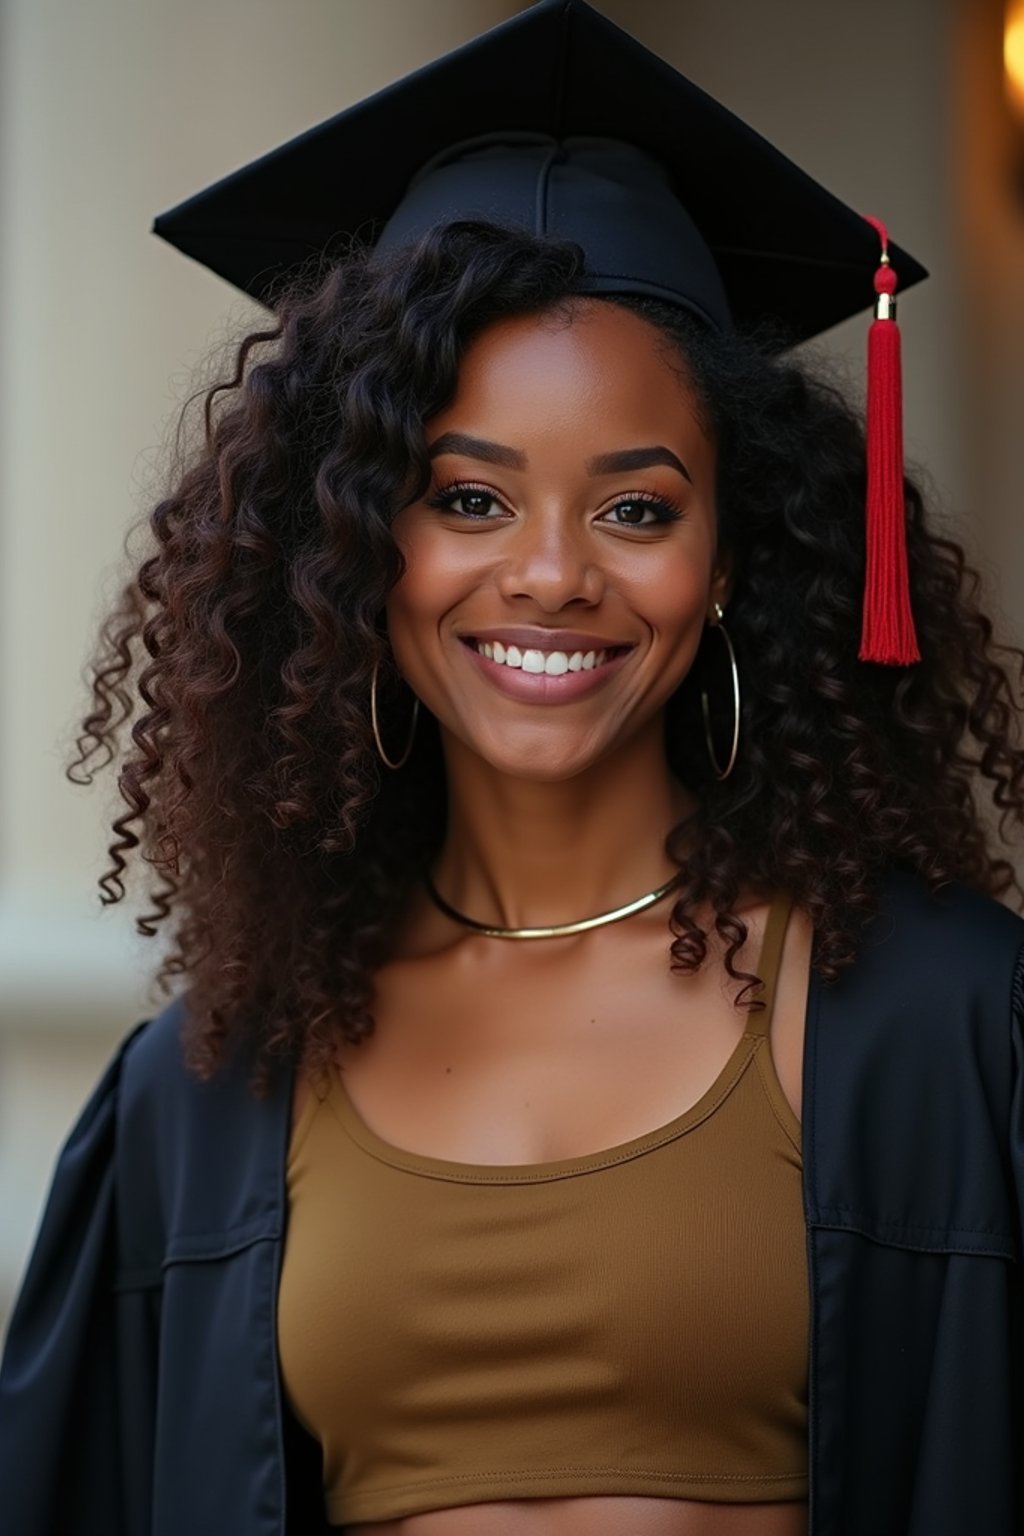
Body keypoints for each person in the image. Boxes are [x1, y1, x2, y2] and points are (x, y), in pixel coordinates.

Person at [1, 2, 1023, 1533]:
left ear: (733, 558)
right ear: (352, 551)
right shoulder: (208, 1091)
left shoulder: (944, 1024)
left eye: (636, 509)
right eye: (467, 500)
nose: (550, 576)